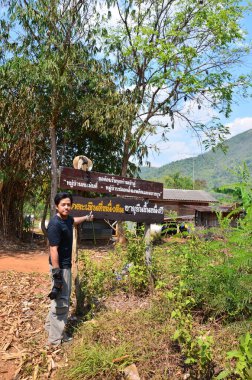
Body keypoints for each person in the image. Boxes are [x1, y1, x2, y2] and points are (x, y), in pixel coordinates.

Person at [45, 192, 93, 347]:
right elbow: (53, 250)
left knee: (58, 298)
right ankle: (55, 339)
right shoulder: (55, 224)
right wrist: (57, 273)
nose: (66, 207)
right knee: (62, 301)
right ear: (56, 206)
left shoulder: (67, 220)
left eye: (68, 204)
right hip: (61, 267)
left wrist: (86, 217)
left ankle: (50, 328)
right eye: (63, 204)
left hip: (64, 266)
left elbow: (74, 221)